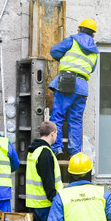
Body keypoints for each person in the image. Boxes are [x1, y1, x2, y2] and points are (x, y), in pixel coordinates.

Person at [47, 18, 99, 156]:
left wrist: (64, 59)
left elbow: (54, 51)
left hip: (67, 80)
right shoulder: (95, 51)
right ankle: (75, 152)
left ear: (79, 29)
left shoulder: (72, 40)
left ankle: (57, 147)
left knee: (57, 115)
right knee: (75, 120)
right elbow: (92, 69)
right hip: (82, 86)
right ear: (93, 35)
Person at [25, 121, 63, 221]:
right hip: (45, 205)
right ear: (52, 133)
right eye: (56, 133)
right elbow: (48, 182)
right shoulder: (45, 153)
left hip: (35, 204)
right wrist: (57, 201)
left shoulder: (34, 151)